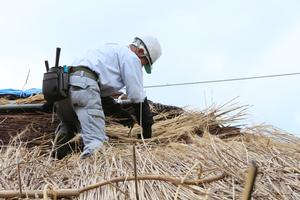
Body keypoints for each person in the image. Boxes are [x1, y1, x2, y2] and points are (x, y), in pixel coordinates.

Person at [52, 36, 162, 159]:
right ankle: (92, 171)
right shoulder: (131, 57)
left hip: (63, 88)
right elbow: (137, 96)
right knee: (96, 142)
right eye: (144, 63)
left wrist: (120, 114)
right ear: (141, 51)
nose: (141, 67)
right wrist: (147, 127)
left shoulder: (110, 49)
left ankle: (58, 158)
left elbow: (99, 95)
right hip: (84, 86)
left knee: (69, 125)